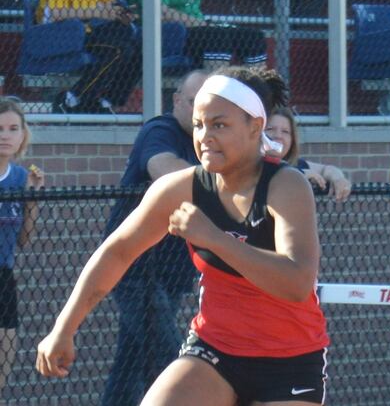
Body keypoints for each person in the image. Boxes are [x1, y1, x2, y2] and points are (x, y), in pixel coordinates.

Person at [36, 66, 330, 406]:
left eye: (219, 125)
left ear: (256, 126)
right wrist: (64, 327)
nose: (205, 136)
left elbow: (296, 282)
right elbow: (117, 252)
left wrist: (216, 239)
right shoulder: (182, 187)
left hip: (289, 361)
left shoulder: (285, 184)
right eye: (199, 124)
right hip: (215, 351)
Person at [99, 69, 209, 406]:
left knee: (131, 359)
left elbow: (271, 163)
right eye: (194, 103)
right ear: (177, 101)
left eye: (209, 107)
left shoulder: (213, 141)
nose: (200, 114)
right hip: (135, 268)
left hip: (174, 271)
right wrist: (223, 183)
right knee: (170, 357)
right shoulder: (161, 129)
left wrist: (323, 171)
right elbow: (162, 169)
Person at [37, 0, 141, 113]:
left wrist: (120, 14)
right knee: (119, 50)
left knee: (140, 48)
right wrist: (96, 11)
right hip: (61, 34)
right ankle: (71, 98)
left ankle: (107, 101)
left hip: (88, 32)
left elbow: (108, 5)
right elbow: (56, 13)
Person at [126, 0, 268, 70]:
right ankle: (216, 96)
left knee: (253, 36)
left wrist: (202, 24)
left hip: (199, 27)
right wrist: (200, 23)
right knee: (216, 36)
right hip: (172, 35)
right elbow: (159, 11)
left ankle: (259, 97)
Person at [0, 97, 44, 396]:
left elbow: (23, 239)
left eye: (13, 128)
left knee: (8, 341)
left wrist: (32, 199)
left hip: (4, 273)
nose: (5, 135)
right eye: (0, 128)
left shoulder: (19, 177)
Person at [265, 107, 352, 203]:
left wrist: (338, 178)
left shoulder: (296, 164)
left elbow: (325, 169)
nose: (278, 136)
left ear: (292, 139)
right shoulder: (251, 165)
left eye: (285, 131)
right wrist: (299, 175)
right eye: (270, 129)